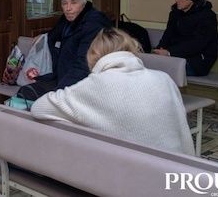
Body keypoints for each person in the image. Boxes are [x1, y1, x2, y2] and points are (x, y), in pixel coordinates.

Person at [31, 28, 195, 155]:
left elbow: (39, 108)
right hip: (178, 173)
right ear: (132, 50)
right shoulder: (164, 79)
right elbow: (182, 130)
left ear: (93, 55)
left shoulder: (94, 85)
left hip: (132, 177)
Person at [21, 0, 111, 98]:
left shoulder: (94, 23)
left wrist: (60, 93)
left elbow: (84, 64)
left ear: (84, 3)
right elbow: (54, 34)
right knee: (25, 92)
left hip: (83, 85)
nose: (68, 8)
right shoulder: (68, 19)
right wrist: (45, 35)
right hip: (63, 78)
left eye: (74, 3)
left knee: (31, 96)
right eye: (64, 3)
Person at [153, 0, 218, 76]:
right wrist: (160, 49)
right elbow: (168, 34)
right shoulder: (175, 13)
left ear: (191, 0)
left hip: (197, 62)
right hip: (175, 57)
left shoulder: (207, 16)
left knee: (160, 69)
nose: (176, 0)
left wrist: (169, 52)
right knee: (151, 63)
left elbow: (197, 43)